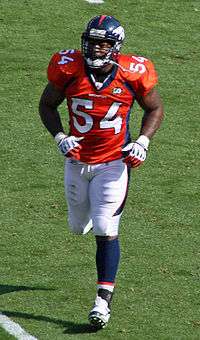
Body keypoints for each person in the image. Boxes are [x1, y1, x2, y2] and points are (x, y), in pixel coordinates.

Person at [39, 15, 164, 329]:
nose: (97, 48)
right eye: (93, 41)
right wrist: (60, 137)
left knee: (106, 229)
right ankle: (91, 213)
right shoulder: (67, 68)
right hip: (77, 161)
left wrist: (143, 141)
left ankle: (102, 303)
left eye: (104, 42)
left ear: (115, 46)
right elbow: (46, 104)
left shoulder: (133, 72)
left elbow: (155, 107)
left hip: (113, 162)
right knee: (77, 226)